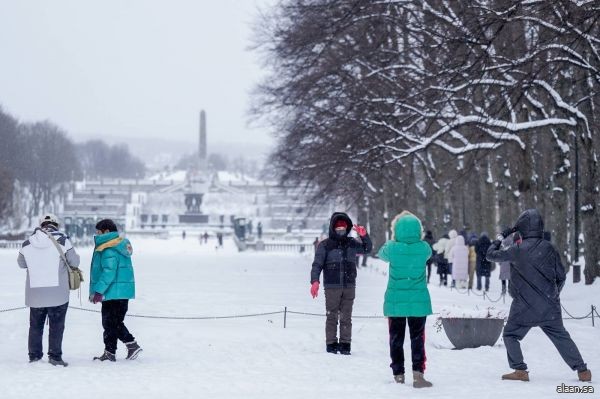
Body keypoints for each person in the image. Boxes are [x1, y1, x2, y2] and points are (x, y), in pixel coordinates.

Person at [487, 209, 591, 382]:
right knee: (561, 337)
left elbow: (490, 255)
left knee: (510, 335)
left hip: (523, 307)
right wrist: (553, 294)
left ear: (522, 228)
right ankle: (582, 370)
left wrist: (501, 237)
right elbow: (561, 276)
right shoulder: (549, 248)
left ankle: (520, 370)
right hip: (549, 306)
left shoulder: (517, 249)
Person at [378, 211, 433, 388]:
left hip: (396, 302)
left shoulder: (392, 248)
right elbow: (428, 255)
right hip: (418, 301)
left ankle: (398, 374)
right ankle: (418, 374)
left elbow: (381, 254)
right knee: (418, 339)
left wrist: (393, 239)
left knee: (396, 339)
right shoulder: (424, 248)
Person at [17, 214, 80, 367]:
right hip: (58, 293)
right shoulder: (63, 240)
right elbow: (75, 261)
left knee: (35, 326)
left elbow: (21, 263)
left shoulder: (27, 243)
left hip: (35, 293)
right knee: (57, 326)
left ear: (41, 225)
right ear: (55, 225)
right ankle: (55, 356)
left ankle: (34, 356)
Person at [310, 212, 372, 355]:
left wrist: (364, 236)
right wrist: (315, 281)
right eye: (338, 229)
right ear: (333, 228)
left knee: (346, 317)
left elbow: (367, 249)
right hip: (332, 286)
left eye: (343, 229)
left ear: (347, 228)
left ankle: (345, 344)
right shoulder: (325, 245)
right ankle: (331, 344)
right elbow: (317, 265)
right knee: (331, 316)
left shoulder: (352, 243)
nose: (341, 231)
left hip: (349, 285)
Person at [90, 219, 142, 362]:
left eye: (98, 232)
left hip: (112, 292)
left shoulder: (109, 248)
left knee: (110, 323)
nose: (97, 234)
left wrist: (98, 291)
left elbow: (109, 272)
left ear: (106, 232)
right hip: (121, 292)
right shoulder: (119, 244)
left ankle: (131, 345)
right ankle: (110, 352)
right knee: (113, 323)